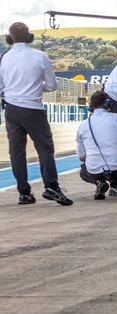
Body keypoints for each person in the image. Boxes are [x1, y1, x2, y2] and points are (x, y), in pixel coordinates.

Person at [0, 22, 72, 206]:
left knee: (16, 152)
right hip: (33, 108)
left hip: (12, 110)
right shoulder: (40, 56)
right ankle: (51, 187)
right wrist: (35, 87)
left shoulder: (4, 58)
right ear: (29, 37)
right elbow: (52, 85)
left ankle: (24, 193)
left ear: (9, 38)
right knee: (45, 149)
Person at [76, 91, 117, 200]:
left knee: (83, 171)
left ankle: (99, 182)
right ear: (107, 104)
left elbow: (82, 157)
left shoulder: (83, 125)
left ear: (91, 106)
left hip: (94, 172)